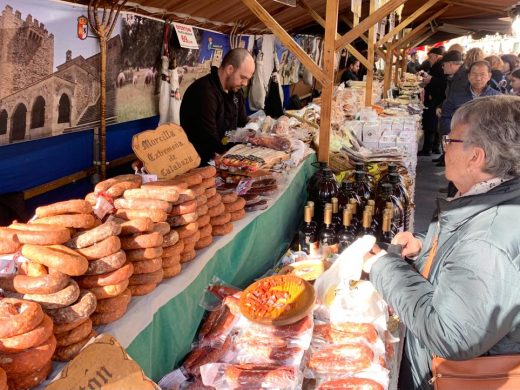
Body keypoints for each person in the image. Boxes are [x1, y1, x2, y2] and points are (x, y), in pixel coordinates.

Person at [364, 95, 520, 390]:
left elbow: (450, 334)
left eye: (451, 140)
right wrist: (426, 249)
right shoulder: (491, 200)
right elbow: (470, 266)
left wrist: (382, 267)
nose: (445, 146)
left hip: (457, 377)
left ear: (476, 156)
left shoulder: (489, 239)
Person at [180, 48, 255, 165]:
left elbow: (241, 124)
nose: (245, 84)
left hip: (226, 156)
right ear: (230, 69)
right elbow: (211, 142)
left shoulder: (235, 91)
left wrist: (254, 135)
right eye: (243, 77)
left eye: (248, 79)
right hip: (201, 164)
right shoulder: (203, 92)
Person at [440, 61, 500, 136]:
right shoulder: (456, 94)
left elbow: (500, 124)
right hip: (460, 138)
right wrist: (453, 134)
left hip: (486, 141)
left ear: (489, 76)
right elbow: (445, 117)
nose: (478, 78)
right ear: (468, 76)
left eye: (482, 74)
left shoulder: (497, 98)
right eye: (474, 74)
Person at [418, 48, 445, 156]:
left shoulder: (439, 66)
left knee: (430, 123)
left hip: (435, 98)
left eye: (431, 56)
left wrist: (430, 79)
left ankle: (428, 148)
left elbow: (441, 82)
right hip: (436, 97)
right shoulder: (438, 65)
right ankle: (435, 147)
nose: (429, 59)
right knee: (435, 123)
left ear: (436, 56)